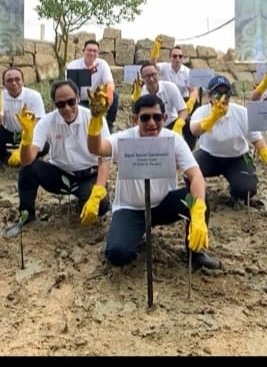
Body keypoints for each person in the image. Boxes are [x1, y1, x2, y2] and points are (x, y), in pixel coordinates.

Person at [86, 89, 220, 270]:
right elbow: (97, 148)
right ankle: (135, 233)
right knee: (118, 254)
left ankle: (194, 252)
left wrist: (197, 212)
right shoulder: (124, 139)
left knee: (198, 196)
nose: (151, 123)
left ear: (164, 118)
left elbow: (195, 175)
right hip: (131, 208)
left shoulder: (174, 140)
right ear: (135, 119)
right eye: (145, 118)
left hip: (163, 205)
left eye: (157, 117)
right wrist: (95, 122)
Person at [2, 79, 111, 238]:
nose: (67, 108)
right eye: (60, 104)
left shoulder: (94, 117)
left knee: (101, 207)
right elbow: (27, 159)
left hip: (88, 174)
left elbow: (104, 159)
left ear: (78, 98)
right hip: (60, 174)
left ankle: (85, 198)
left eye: (71, 102)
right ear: (54, 104)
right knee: (28, 170)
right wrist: (26, 138)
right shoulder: (47, 121)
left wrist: (98, 192)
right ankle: (26, 213)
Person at [191, 75, 267, 207]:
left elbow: (256, 139)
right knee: (189, 171)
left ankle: (235, 193)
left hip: (236, 158)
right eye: (217, 93)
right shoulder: (201, 111)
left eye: (226, 92)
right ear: (209, 95)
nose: (223, 97)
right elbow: (194, 130)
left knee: (246, 189)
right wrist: (212, 118)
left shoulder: (241, 112)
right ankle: (197, 193)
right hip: (209, 156)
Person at [0, 66, 46, 168]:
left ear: (23, 81)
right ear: (4, 84)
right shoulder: (0, 96)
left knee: (45, 146)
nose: (14, 83)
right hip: (7, 131)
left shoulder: (34, 96)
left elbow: (38, 122)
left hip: (28, 133)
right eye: (9, 80)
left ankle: (28, 157)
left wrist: (22, 147)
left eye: (17, 79)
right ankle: (4, 156)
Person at [67, 39, 118, 131]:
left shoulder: (102, 64)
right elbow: (70, 88)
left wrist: (109, 98)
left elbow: (109, 82)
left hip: (96, 97)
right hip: (80, 99)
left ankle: (109, 124)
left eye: (95, 51)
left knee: (115, 96)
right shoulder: (73, 66)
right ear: (83, 51)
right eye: (89, 50)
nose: (92, 53)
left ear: (98, 53)